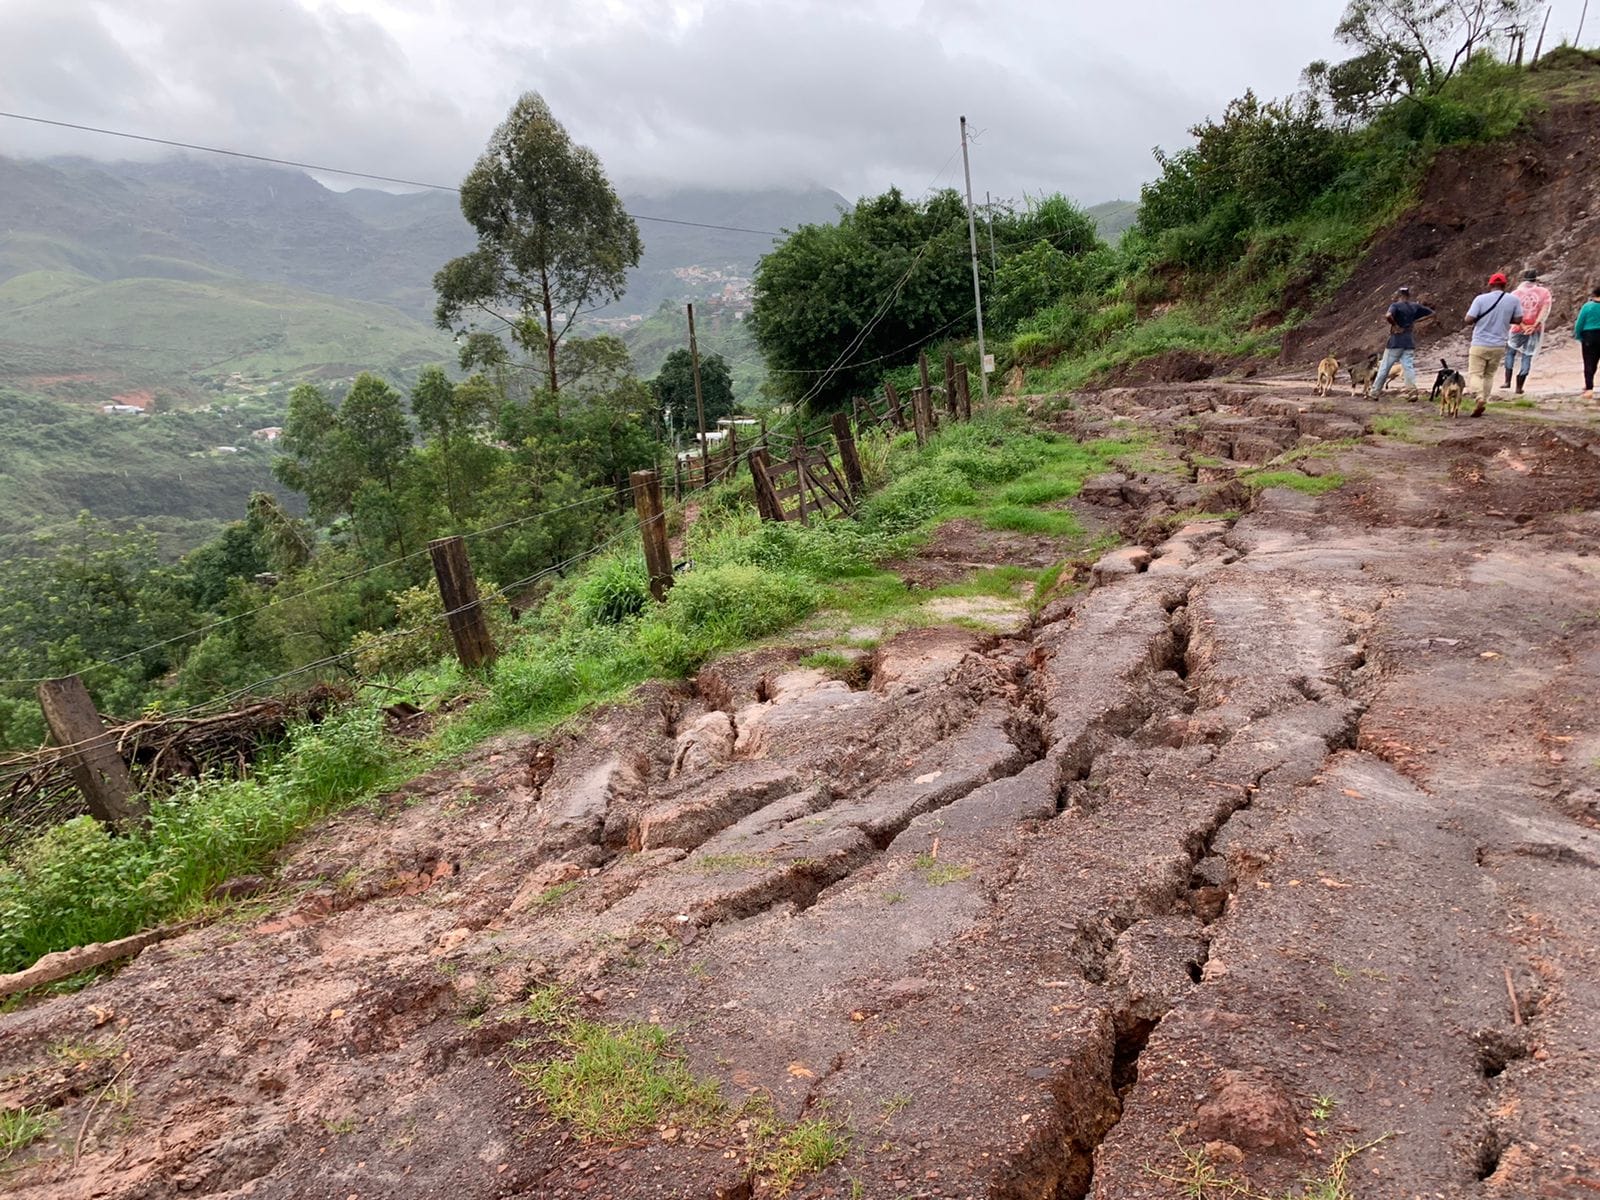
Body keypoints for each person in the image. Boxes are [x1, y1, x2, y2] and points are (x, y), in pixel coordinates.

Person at [1464, 273, 1524, 417]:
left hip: (1479, 343)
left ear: (1490, 284)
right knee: (1489, 375)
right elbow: (1518, 320)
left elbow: (1468, 319)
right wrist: (1504, 318)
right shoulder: (1513, 300)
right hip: (1499, 344)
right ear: (1505, 285)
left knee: (1475, 374)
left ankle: (1479, 397)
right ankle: (1484, 399)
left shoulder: (1480, 299)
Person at [1370, 286, 1434, 400]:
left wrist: (1395, 325)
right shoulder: (1414, 306)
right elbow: (1432, 313)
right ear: (1408, 295)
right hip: (1408, 341)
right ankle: (1412, 392)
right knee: (1408, 367)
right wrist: (1416, 321)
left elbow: (1388, 315)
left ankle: (1374, 392)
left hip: (1395, 341)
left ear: (1399, 295)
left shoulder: (1395, 306)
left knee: (1384, 368)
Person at [1503, 268, 1554, 394]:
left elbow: (1511, 312)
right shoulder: (1544, 292)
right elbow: (1545, 310)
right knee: (1527, 356)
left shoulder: (1515, 293)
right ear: (1536, 279)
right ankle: (1519, 386)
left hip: (1517, 327)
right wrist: (1534, 325)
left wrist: (1522, 325)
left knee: (1510, 352)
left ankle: (1507, 381)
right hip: (1534, 330)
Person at [1577, 284, 1600, 400]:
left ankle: (1589, 388)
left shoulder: (1587, 306)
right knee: (1594, 363)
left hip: (1589, 336)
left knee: (1589, 362)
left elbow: (1579, 323)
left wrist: (1578, 335)